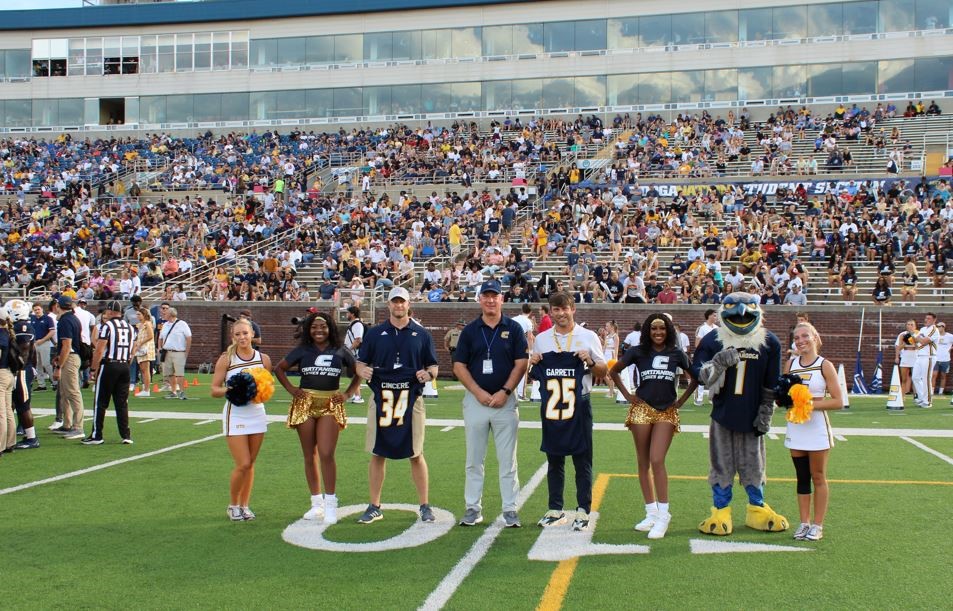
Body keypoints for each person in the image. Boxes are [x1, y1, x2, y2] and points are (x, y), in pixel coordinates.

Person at [354, 287, 439, 524]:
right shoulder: (375, 333)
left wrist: (428, 375)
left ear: (409, 304)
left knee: (416, 453)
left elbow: (434, 366)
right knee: (377, 452)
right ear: (388, 305)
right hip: (381, 399)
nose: (399, 306)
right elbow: (360, 363)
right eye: (395, 302)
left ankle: (424, 504)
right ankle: (374, 505)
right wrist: (363, 370)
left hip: (412, 400)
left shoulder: (421, 334)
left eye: (402, 302)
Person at [610, 313, 697, 539]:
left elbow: (695, 377)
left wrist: (681, 401)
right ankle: (651, 512)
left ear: (668, 331)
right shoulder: (637, 351)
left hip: (667, 410)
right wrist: (628, 395)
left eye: (662, 329)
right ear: (648, 331)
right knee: (643, 461)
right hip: (642, 408)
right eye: (654, 329)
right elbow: (614, 371)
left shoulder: (677, 353)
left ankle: (664, 514)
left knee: (657, 459)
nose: (658, 333)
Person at [529, 291, 608, 531]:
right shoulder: (542, 339)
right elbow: (532, 375)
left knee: (582, 459)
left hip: (579, 404)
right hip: (553, 407)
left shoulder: (588, 336)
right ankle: (555, 508)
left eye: (565, 308)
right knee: (554, 458)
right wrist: (533, 363)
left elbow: (603, 372)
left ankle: (583, 509)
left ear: (573, 309)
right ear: (550, 312)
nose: (561, 313)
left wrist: (591, 362)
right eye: (556, 309)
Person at [452, 280, 528, 528]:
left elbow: (521, 362)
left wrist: (505, 391)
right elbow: (459, 365)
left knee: (508, 460)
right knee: (474, 459)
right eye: (486, 296)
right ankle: (473, 507)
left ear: (502, 299)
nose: (490, 300)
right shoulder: (471, 330)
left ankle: (510, 508)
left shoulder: (514, 328)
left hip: (505, 402)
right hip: (476, 402)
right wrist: (477, 392)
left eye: (494, 296)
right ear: (480, 299)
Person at [276, 311, 362, 524]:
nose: (318, 330)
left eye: (322, 327)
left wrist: (348, 393)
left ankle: (331, 502)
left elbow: (358, 371)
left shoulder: (340, 350)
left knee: (326, 453)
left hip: (330, 404)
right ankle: (316, 503)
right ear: (308, 330)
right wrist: (292, 390)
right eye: (314, 327)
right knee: (309, 454)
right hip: (305, 403)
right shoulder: (303, 350)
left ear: (330, 328)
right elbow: (279, 369)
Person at [785, 322, 844, 541]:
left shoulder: (824, 365)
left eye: (804, 336)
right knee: (801, 478)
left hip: (817, 427)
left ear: (815, 337)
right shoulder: (790, 364)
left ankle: (818, 525)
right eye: (797, 337)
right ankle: (803, 523)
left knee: (818, 476)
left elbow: (838, 401)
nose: (801, 341)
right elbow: (785, 395)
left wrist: (807, 404)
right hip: (796, 426)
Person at [210, 318, 273, 521]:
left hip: (257, 413)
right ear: (233, 337)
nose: (242, 337)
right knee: (243, 463)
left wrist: (258, 392)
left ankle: (245, 505)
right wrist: (232, 389)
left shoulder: (263, 359)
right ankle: (233, 505)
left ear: (252, 334)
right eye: (237, 334)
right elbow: (214, 389)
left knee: (251, 463)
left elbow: (267, 387)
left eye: (245, 333)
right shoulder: (227, 359)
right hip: (235, 413)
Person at [83, 300, 136, 445]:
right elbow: (133, 349)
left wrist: (93, 369)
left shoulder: (107, 326)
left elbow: (99, 350)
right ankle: (126, 435)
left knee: (100, 402)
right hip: (124, 366)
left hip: (110, 365)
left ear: (110, 312)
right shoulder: (130, 327)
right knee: (122, 403)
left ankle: (97, 435)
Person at [53, 296, 86, 440]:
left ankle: (78, 427)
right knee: (65, 392)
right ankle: (67, 423)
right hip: (71, 356)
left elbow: (67, 345)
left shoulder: (65, 321)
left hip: (70, 358)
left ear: (59, 306)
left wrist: (59, 366)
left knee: (72, 392)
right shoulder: (73, 318)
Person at [158, 306, 192, 400]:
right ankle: (173, 391)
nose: (163, 314)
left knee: (179, 373)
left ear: (171, 314)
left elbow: (189, 338)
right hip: (167, 352)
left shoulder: (182, 324)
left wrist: (186, 352)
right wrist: (160, 347)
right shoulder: (165, 325)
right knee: (169, 373)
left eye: (166, 313)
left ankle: (181, 391)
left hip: (179, 352)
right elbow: (160, 337)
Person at [912, 312, 938, 408]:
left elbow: (923, 341)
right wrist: (914, 336)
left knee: (926, 378)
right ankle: (922, 398)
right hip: (920, 356)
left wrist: (914, 334)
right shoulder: (923, 329)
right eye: (926, 318)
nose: (926, 320)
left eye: (929, 318)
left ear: (934, 320)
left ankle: (927, 401)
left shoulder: (934, 329)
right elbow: (916, 341)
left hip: (929, 356)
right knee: (915, 377)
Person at [694, 309, 719, 405]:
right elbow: (697, 343)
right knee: (702, 376)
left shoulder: (717, 328)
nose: (716, 317)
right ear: (709, 316)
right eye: (714, 315)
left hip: (714, 356)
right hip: (704, 356)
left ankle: (712, 397)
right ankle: (699, 398)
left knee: (715, 376)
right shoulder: (702, 328)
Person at [31, 302, 56, 391]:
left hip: (44, 342)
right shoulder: (32, 318)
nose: (37, 311)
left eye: (38, 309)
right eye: (35, 310)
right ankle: (41, 384)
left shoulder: (48, 319)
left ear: (42, 309)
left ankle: (55, 382)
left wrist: (43, 340)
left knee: (46, 364)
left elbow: (52, 332)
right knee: (38, 365)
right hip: (35, 343)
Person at [344, 306, 366, 404]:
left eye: (347, 313)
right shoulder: (353, 324)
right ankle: (355, 395)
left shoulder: (357, 324)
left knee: (354, 376)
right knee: (353, 375)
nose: (346, 315)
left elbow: (358, 340)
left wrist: (348, 350)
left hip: (355, 354)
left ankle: (358, 397)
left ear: (352, 314)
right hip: (352, 353)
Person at [0, 309, 15, 455]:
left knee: (1, 413)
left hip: (1, 373)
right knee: (8, 411)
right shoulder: (8, 333)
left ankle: (1, 445)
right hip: (8, 373)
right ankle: (10, 442)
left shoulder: (1, 334)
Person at [132, 307, 155, 397]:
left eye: (139, 314)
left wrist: (140, 343)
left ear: (144, 315)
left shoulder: (147, 324)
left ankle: (146, 389)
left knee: (145, 369)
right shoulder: (140, 324)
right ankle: (145, 387)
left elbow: (150, 336)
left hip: (146, 348)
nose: (137, 316)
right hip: (141, 348)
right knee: (142, 369)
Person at [894, 319, 919, 402]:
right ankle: (902, 396)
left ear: (915, 326)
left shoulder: (918, 334)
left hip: (916, 357)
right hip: (905, 357)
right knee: (904, 378)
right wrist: (897, 357)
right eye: (908, 324)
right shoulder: (902, 334)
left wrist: (913, 341)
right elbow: (898, 347)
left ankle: (916, 396)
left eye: (912, 324)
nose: (910, 326)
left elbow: (919, 346)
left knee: (916, 378)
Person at [933, 322, 951, 398]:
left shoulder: (950, 336)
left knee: (943, 376)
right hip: (935, 359)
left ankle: (940, 393)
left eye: (939, 326)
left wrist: (950, 349)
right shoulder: (934, 336)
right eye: (936, 326)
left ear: (943, 327)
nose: (937, 327)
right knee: (934, 375)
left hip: (946, 359)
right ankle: (931, 392)